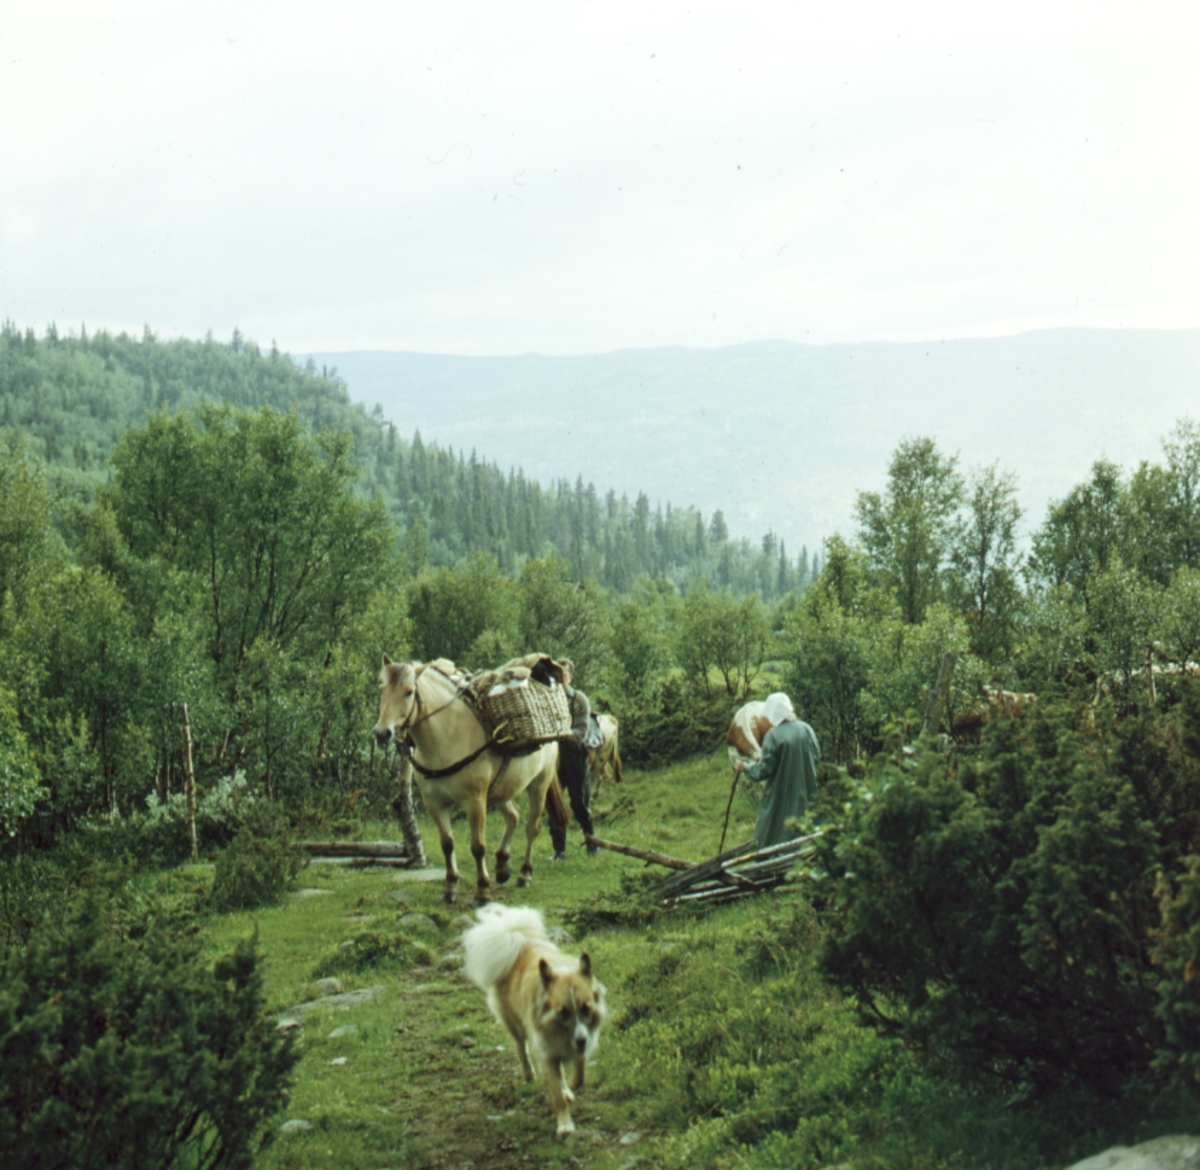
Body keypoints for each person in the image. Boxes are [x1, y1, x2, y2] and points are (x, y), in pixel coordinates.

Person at [732, 692, 820, 848]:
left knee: (773, 828)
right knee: (804, 825)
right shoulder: (807, 729)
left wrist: (744, 767)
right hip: (805, 791)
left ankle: (771, 859)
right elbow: (816, 757)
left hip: (780, 796)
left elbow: (763, 770)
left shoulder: (773, 736)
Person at [548, 658, 601, 859]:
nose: (559, 680)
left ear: (570, 677)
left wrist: (560, 733)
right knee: (554, 804)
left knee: (579, 804)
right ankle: (559, 850)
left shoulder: (579, 700)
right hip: (553, 758)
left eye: (563, 676)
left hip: (575, 756)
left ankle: (592, 841)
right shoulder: (547, 700)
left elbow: (581, 730)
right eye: (555, 677)